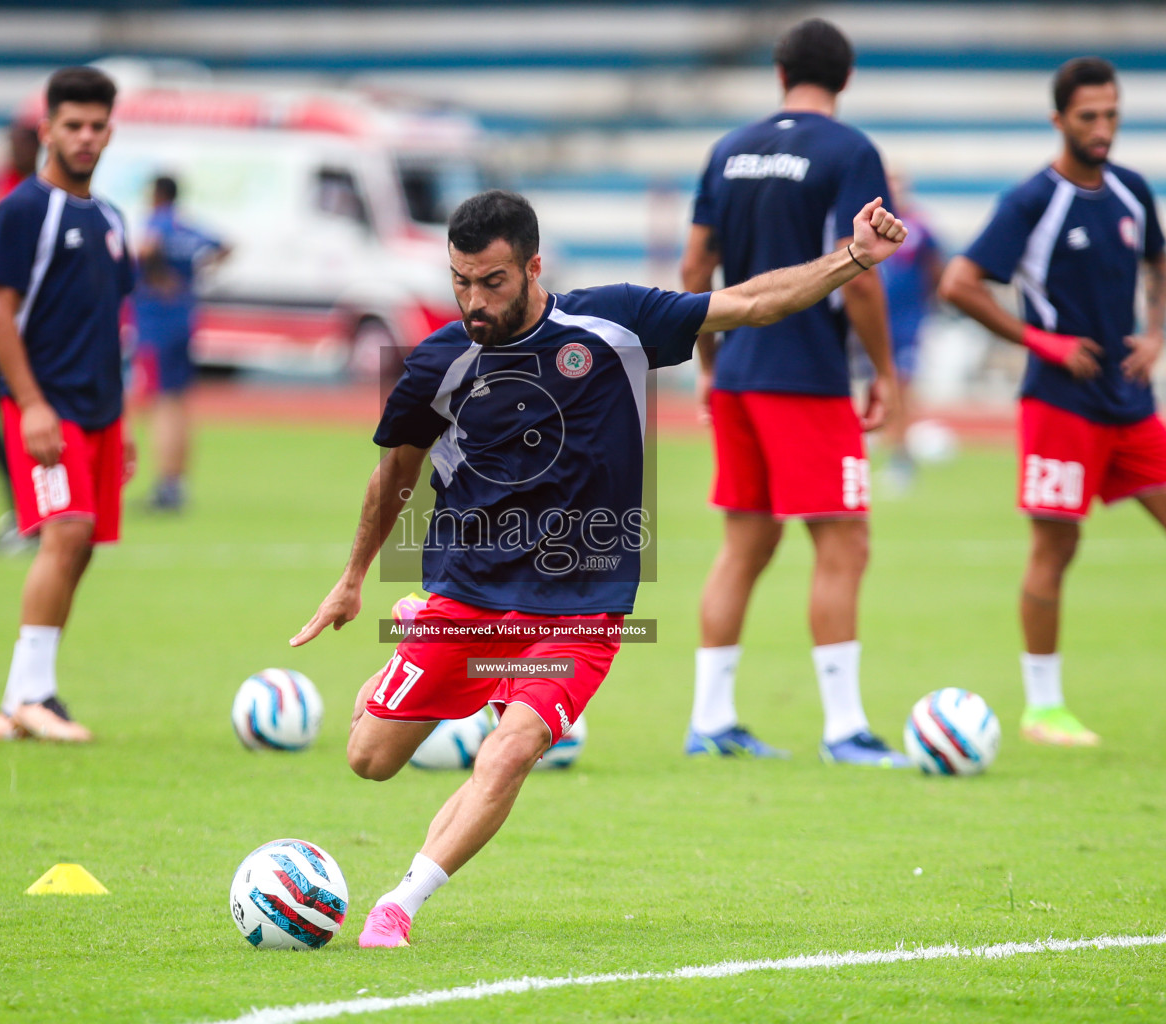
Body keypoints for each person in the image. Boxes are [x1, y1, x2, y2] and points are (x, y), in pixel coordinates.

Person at [290, 188, 908, 948]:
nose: (474, 300)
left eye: (492, 281)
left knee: (510, 748)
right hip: (469, 598)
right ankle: (440, 662)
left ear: (533, 266)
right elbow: (396, 476)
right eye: (460, 281)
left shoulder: (615, 321)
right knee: (368, 759)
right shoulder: (439, 362)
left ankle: (400, 905)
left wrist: (852, 258)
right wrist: (353, 579)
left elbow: (751, 303)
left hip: (581, 611)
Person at [938, 57, 1166, 744]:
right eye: (1089, 116)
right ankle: (1042, 708)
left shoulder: (1130, 190)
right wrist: (1042, 342)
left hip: (1129, 400)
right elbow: (960, 283)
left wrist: (1155, 332)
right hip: (1061, 404)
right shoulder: (1034, 200)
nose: (1103, 129)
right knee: (1056, 548)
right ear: (1059, 120)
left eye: (1111, 114)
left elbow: (1159, 259)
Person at [680, 18, 907, 765]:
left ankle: (709, 720)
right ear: (844, 79)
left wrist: (711, 361)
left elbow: (693, 272)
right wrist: (881, 370)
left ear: (781, 72)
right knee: (844, 541)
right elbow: (862, 272)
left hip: (740, 369)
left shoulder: (728, 148)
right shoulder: (850, 151)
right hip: (805, 376)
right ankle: (845, 730)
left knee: (745, 545)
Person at [0, 66, 135, 742]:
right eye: (72, 124)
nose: (85, 137)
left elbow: (107, 322)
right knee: (64, 531)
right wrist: (31, 403)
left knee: (82, 548)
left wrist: (122, 420)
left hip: (100, 412)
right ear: (46, 129)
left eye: (97, 126)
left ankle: (16, 700)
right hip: (46, 409)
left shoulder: (109, 218)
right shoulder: (23, 211)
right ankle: (35, 697)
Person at [132, 174, 229, 511]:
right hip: (185, 321)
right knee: (181, 402)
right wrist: (199, 274)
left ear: (156, 194)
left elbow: (146, 250)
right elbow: (225, 245)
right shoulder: (189, 227)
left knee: (161, 404)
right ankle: (178, 482)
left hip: (156, 324)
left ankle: (165, 485)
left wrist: (159, 279)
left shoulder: (157, 222)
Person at [0, 122, 43, 551]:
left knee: (23, 419)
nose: (11, 152)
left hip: (30, 326)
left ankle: (33, 518)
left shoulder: (41, 198)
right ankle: (24, 510)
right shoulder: (4, 187)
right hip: (2, 318)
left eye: (19, 145)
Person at [875, 168, 944, 492]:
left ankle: (901, 459)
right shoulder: (866, 226)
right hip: (873, 322)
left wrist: (929, 306)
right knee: (879, 388)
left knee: (900, 387)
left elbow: (936, 270)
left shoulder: (918, 227)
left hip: (907, 323)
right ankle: (890, 445)